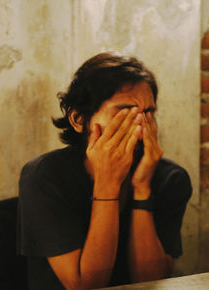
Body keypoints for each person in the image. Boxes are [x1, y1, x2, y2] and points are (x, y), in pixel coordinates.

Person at [18, 52, 192, 289]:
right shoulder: (44, 176)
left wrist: (142, 189)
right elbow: (85, 286)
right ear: (79, 119)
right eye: (125, 112)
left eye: (148, 113)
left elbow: (150, 282)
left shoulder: (170, 179)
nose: (140, 127)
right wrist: (108, 183)